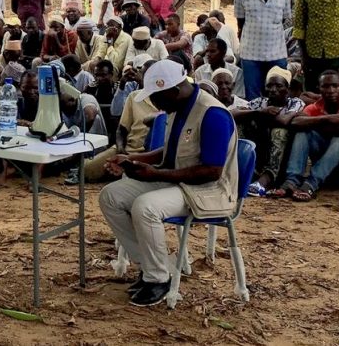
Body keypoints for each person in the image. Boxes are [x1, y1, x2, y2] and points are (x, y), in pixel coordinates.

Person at [98, 60, 238, 307]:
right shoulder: (179, 107)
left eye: (156, 97)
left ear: (172, 91)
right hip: (179, 182)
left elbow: (212, 171)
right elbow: (171, 152)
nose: (154, 104)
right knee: (111, 196)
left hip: (207, 191)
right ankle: (153, 266)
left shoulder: (212, 114)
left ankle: (158, 279)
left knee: (145, 206)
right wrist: (132, 159)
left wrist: (156, 175)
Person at [268, 70, 339, 201]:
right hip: (322, 160)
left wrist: (316, 122)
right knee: (302, 131)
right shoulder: (315, 106)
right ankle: (291, 181)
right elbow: (296, 122)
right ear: (319, 88)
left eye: (335, 86)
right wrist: (329, 120)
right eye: (325, 86)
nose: (331, 90)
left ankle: (311, 184)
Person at [233, 66, 304, 196]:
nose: (273, 90)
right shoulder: (261, 103)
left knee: (279, 131)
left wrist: (260, 117)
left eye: (278, 86)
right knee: (240, 124)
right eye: (269, 86)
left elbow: (284, 121)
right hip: (261, 148)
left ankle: (266, 180)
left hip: (283, 156)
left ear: (287, 89)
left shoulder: (295, 103)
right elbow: (232, 114)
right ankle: (242, 168)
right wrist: (258, 112)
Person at [234, 0, 291, 100]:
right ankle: (255, 122)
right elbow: (241, 22)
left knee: (277, 95)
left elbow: (285, 19)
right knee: (253, 97)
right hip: (251, 54)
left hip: (276, 53)